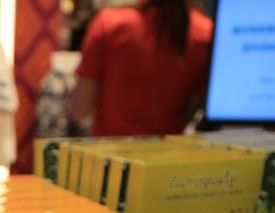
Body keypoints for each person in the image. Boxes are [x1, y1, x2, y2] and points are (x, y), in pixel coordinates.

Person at [70, 0, 213, 136]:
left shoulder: (110, 23)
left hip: (108, 149)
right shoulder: (206, 32)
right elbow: (193, 109)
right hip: (168, 150)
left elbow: (79, 110)